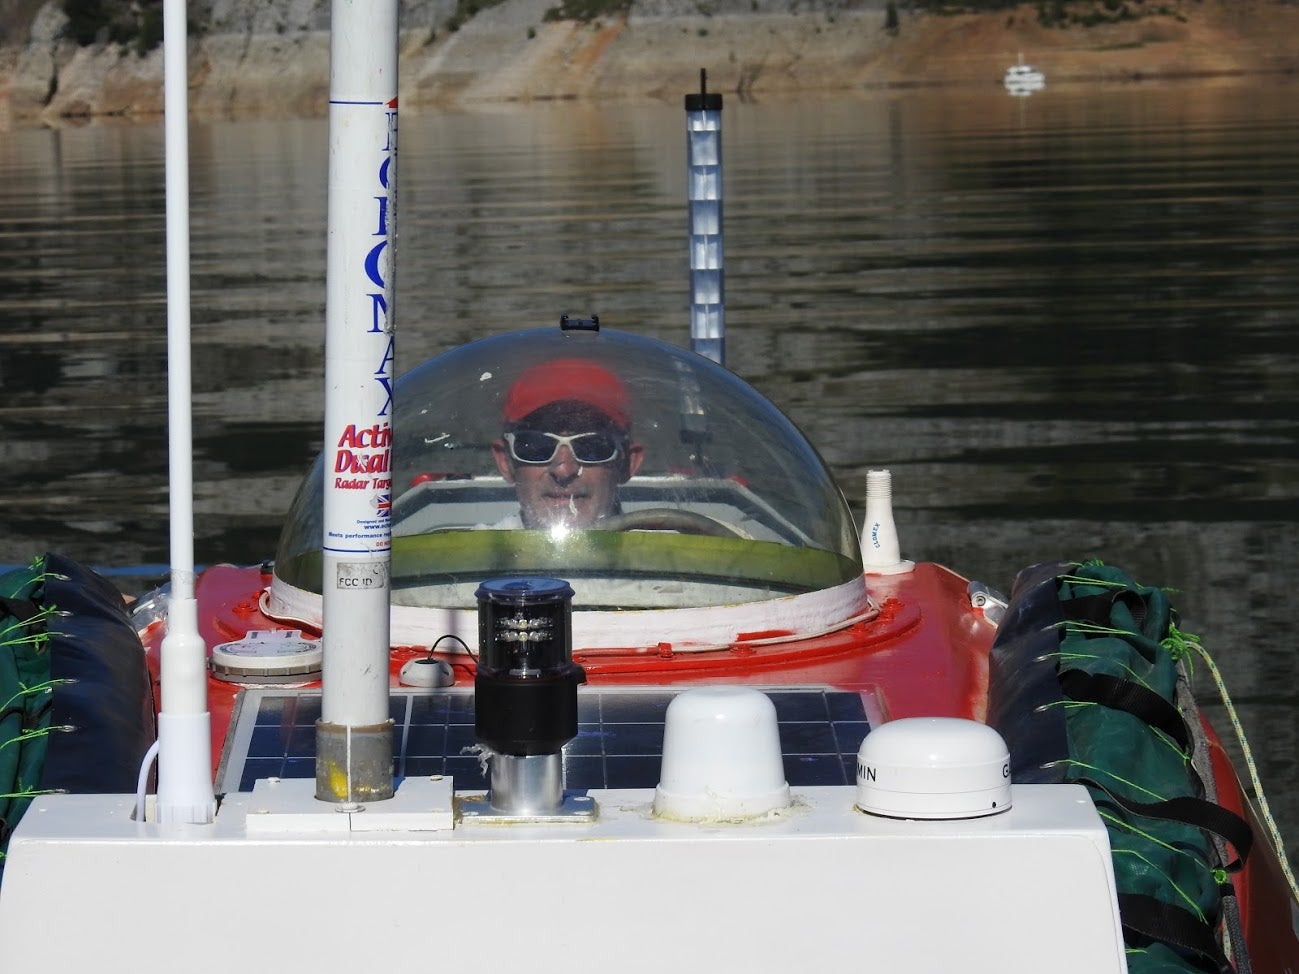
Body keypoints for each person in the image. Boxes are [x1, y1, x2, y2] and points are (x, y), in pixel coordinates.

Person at [491, 358, 644, 530]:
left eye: (591, 447)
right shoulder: (471, 556)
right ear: (504, 461)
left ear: (628, 463)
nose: (563, 470)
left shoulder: (669, 555)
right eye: (537, 447)